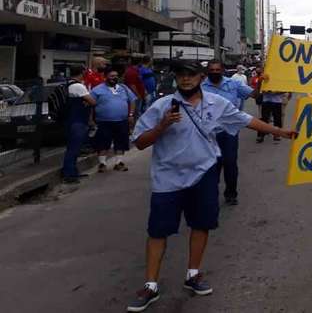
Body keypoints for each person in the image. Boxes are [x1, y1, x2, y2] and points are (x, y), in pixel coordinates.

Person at [127, 61, 297, 312]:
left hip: (204, 174)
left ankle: (193, 274)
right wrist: (163, 125)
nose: (185, 80)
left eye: (191, 75)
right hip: (167, 179)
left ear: (200, 77)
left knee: (201, 225)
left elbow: (246, 119)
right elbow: (140, 143)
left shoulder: (216, 104)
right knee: (158, 231)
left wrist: (280, 131)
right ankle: (150, 285)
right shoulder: (161, 106)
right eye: (181, 75)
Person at [201, 59, 261, 205]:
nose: (215, 72)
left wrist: (260, 83)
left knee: (230, 163)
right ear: (207, 71)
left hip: (229, 132)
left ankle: (231, 194)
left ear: (223, 70)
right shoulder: (200, 86)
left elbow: (254, 95)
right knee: (211, 165)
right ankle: (210, 194)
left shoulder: (234, 84)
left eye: (217, 70)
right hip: (208, 133)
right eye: (212, 70)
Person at [91, 66, 137, 172]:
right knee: (102, 143)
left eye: (116, 76)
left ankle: (118, 162)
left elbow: (133, 100)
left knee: (121, 142)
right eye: (112, 76)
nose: (114, 78)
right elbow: (90, 105)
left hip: (122, 121)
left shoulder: (123, 88)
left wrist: (131, 114)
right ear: (105, 76)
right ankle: (102, 163)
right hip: (103, 122)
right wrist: (91, 120)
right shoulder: (97, 90)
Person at [62, 65, 96, 184]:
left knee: (73, 148)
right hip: (77, 122)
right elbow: (92, 101)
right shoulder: (78, 86)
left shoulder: (67, 85)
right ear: (82, 73)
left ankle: (72, 172)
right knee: (74, 149)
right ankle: (69, 174)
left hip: (71, 121)